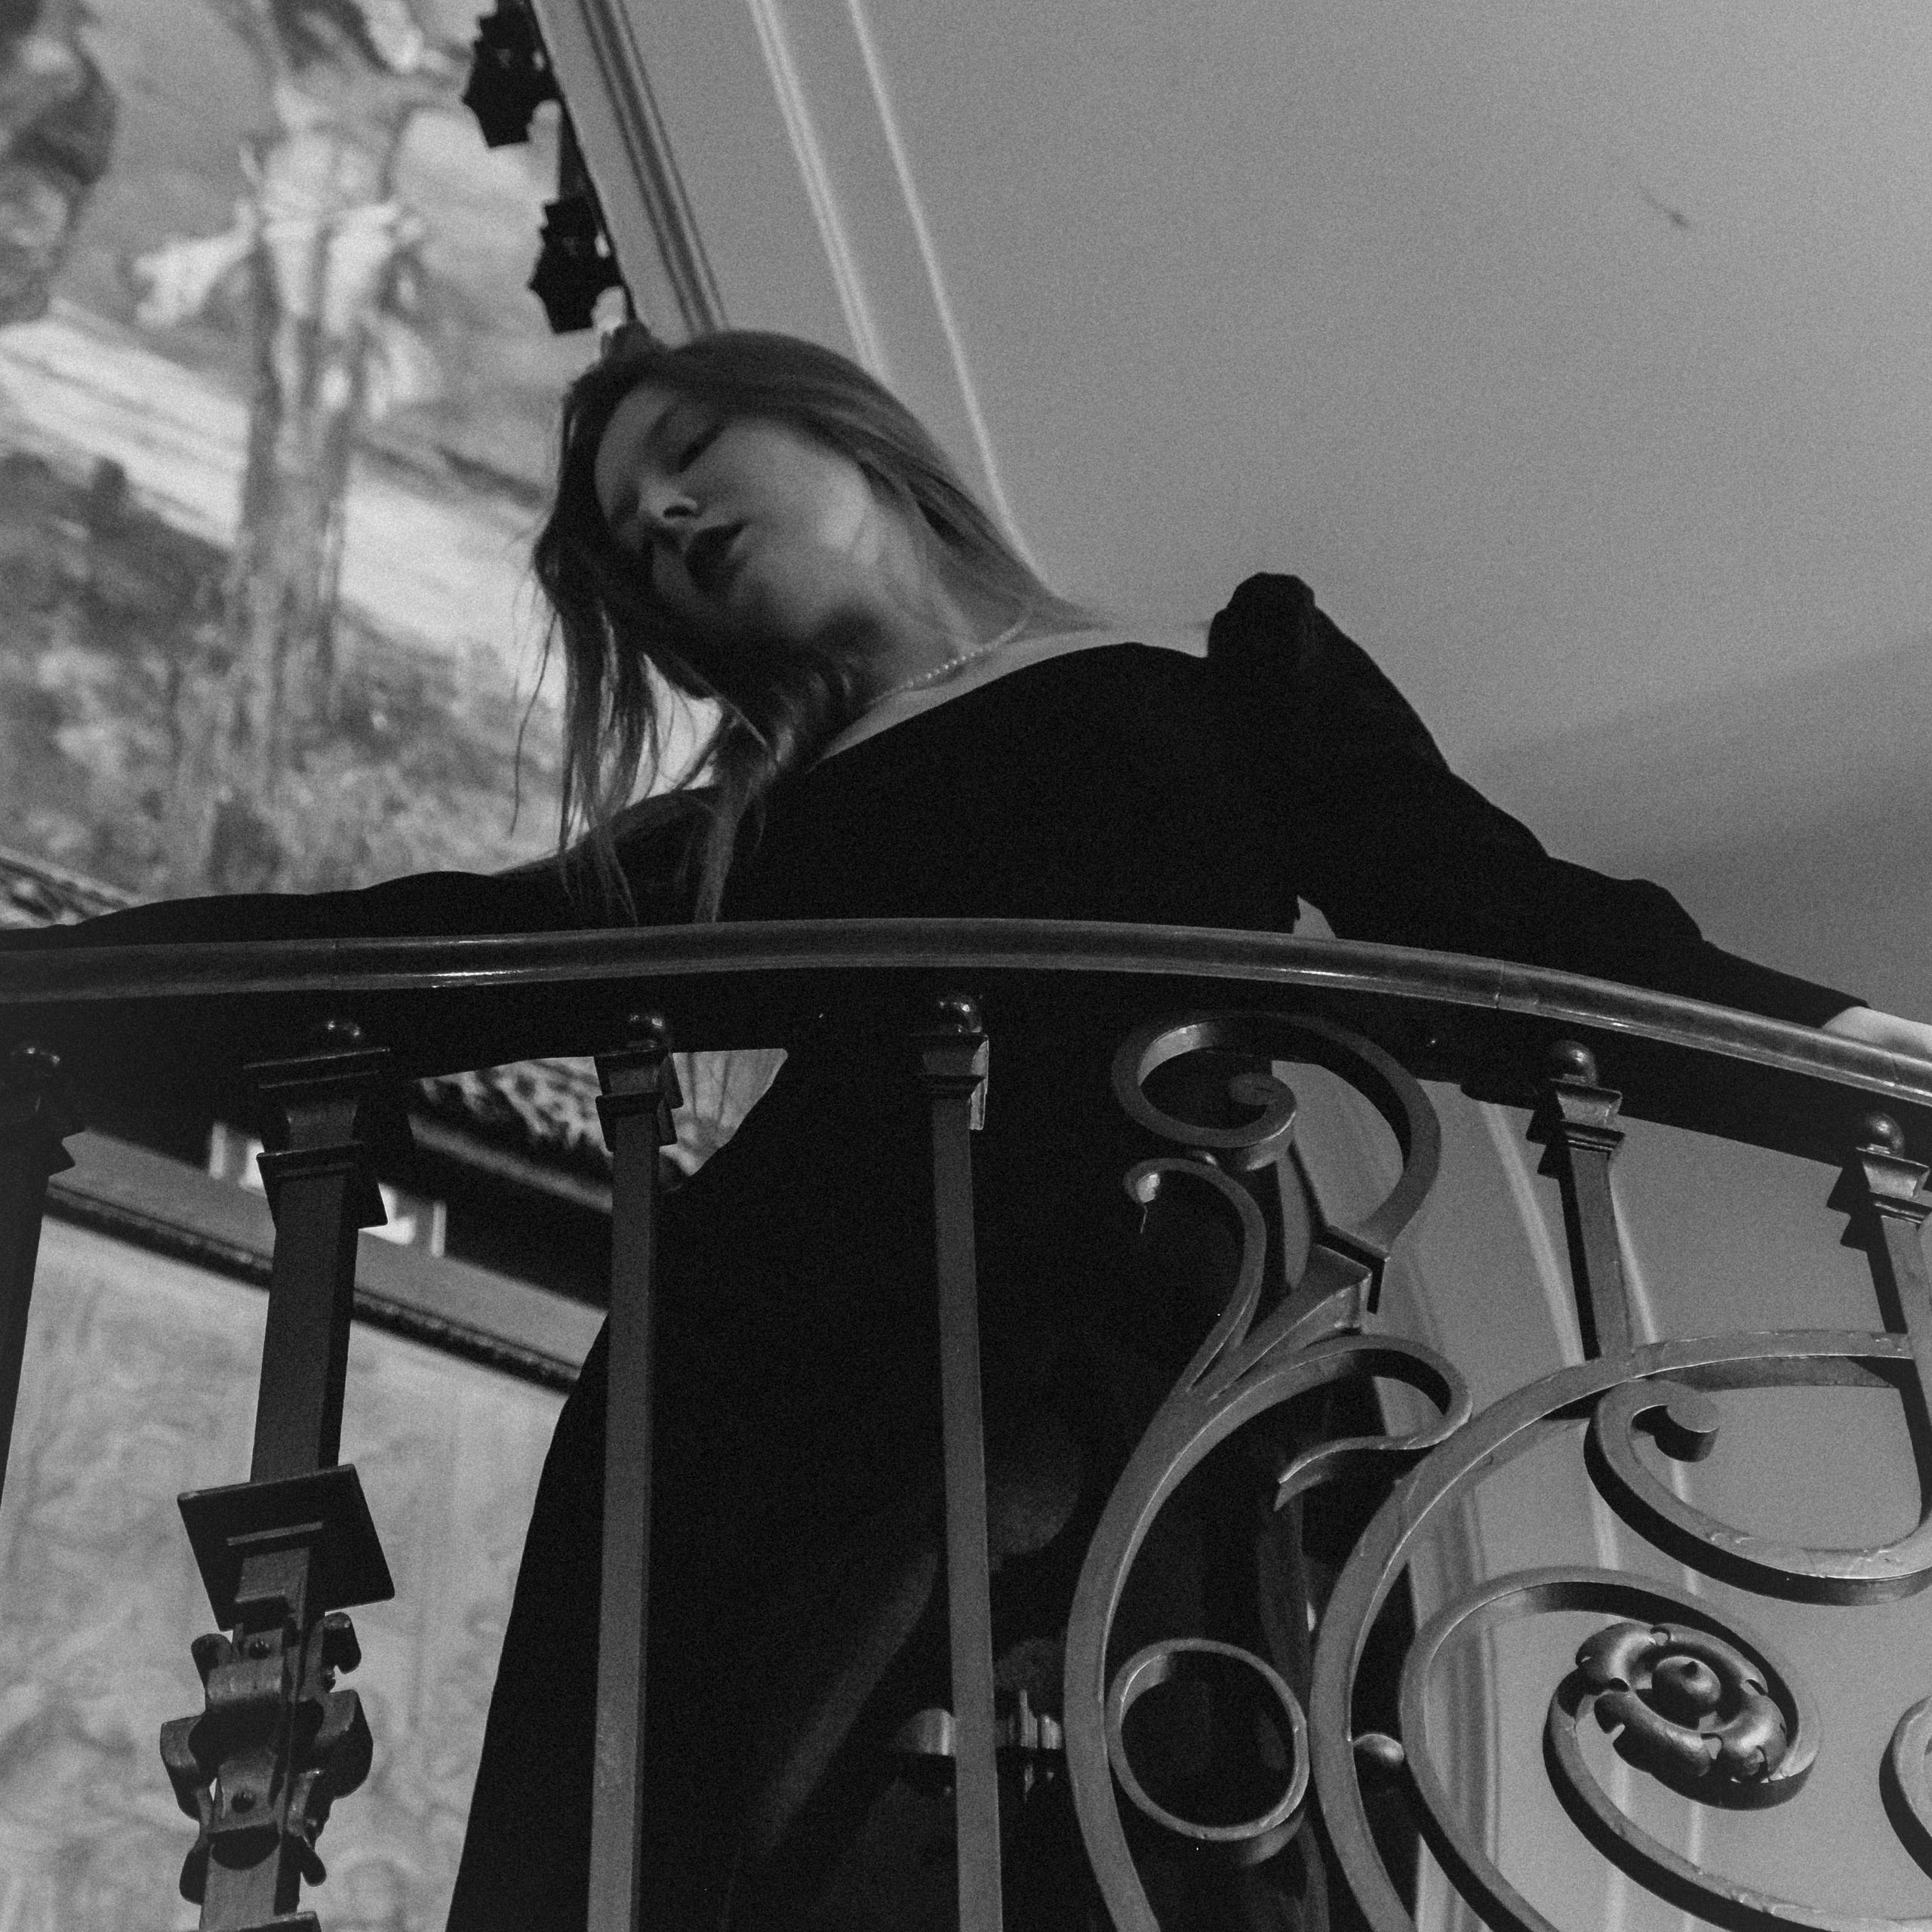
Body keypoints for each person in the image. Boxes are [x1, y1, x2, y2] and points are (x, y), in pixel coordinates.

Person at [11, 325, 1931, 1930]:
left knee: (1134, 1800)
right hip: (773, 1367)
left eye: (686, 452)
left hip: (1145, 1353)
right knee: (739, 1836)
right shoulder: (756, 825)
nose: (661, 517)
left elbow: (1506, 916)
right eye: (626, 536)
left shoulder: (1223, 687)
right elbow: (430, 939)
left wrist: (1840, 1042)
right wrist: (56, 980)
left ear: (848, 433)